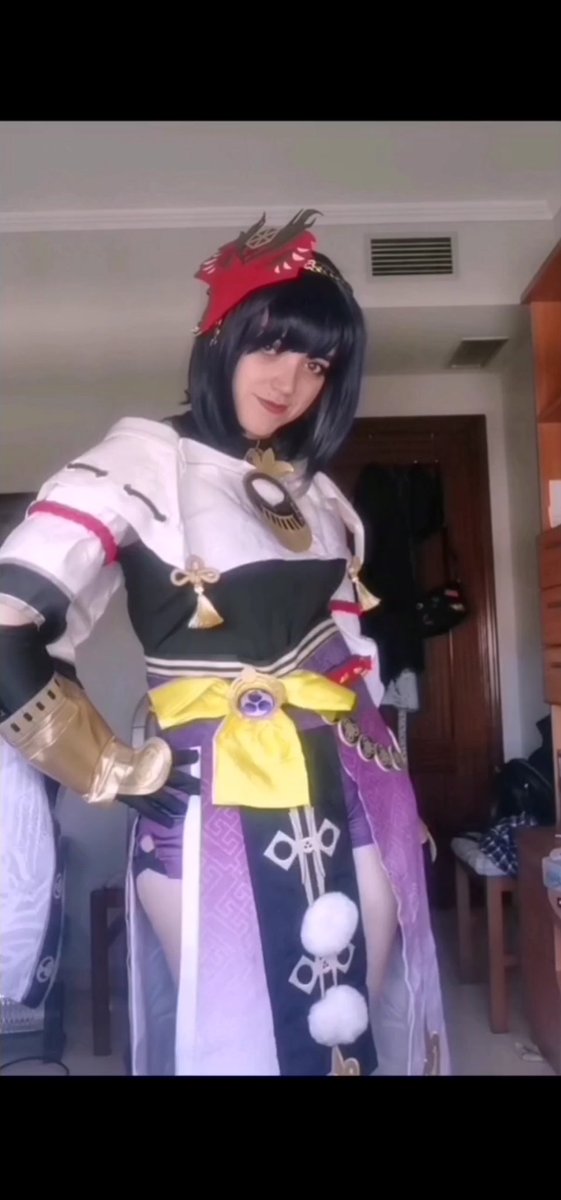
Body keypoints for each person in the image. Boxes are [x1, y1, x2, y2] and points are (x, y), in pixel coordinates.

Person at [0, 210, 448, 1076]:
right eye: (274, 345)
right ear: (220, 335)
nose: (292, 381)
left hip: (356, 785)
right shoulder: (138, 464)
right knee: (241, 1037)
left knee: (353, 1025)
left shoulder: (315, 495)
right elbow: (8, 620)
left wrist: (395, 789)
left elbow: (345, 653)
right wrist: (108, 768)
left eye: (318, 364)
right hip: (211, 796)